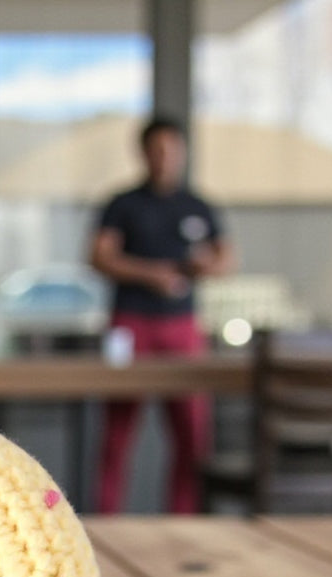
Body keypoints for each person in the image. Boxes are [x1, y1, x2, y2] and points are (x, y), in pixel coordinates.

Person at [89, 115, 236, 514]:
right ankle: (107, 523)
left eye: (171, 149)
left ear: (182, 153)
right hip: (131, 323)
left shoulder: (198, 206)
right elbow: (101, 256)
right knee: (117, 436)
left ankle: (183, 522)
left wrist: (207, 265)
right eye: (156, 150)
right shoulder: (122, 204)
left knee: (192, 437)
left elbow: (226, 260)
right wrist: (151, 274)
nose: (165, 158)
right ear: (143, 153)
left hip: (183, 327)